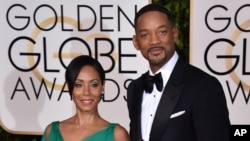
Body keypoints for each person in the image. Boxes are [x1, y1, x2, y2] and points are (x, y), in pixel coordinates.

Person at [127, 4, 230, 141]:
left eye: (162, 32)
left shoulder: (204, 86)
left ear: (174, 34)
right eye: (145, 35)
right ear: (136, 42)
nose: (154, 41)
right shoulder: (135, 89)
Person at [41, 55, 130, 141]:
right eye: (79, 85)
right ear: (70, 87)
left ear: (102, 86)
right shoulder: (52, 132)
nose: (86, 92)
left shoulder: (117, 135)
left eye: (94, 85)